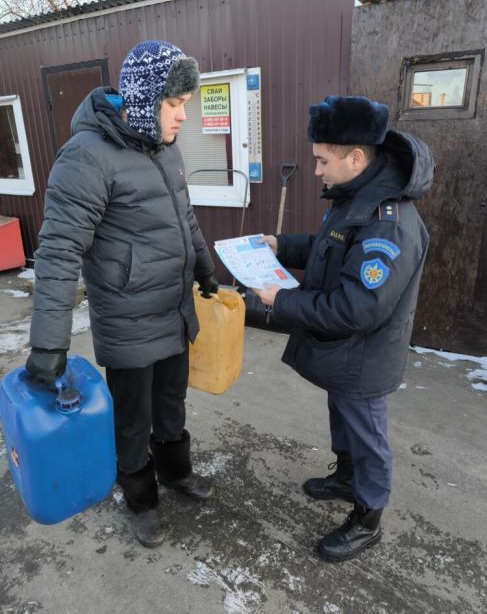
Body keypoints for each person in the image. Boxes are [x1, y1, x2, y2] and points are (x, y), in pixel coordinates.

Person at [26, 40, 219, 548]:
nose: (182, 116)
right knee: (132, 419)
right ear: (143, 99)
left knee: (172, 401)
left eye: (186, 105)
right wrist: (49, 343)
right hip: (129, 319)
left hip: (173, 310)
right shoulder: (87, 157)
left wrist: (205, 269)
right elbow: (59, 249)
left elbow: (184, 218)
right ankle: (140, 499)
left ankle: (176, 472)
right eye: (174, 104)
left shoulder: (165, 147)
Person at [254, 95, 434, 562]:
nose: (315, 170)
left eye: (322, 160)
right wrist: (281, 245)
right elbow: (328, 247)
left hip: (364, 354)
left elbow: (356, 307)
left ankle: (368, 517)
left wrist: (283, 300)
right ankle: (347, 475)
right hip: (344, 352)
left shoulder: (387, 223)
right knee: (343, 417)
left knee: (367, 432)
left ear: (356, 158)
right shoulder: (356, 198)